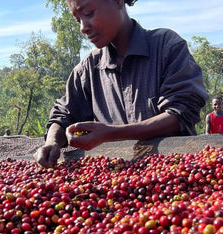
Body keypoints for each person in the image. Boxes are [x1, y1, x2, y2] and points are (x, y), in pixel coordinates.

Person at [34, 0, 208, 168]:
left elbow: (180, 115)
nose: (83, 28)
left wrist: (110, 133)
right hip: (117, 179)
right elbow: (63, 115)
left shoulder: (166, 47)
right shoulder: (88, 68)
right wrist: (52, 142)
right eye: (78, 20)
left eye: (88, 13)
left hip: (174, 173)